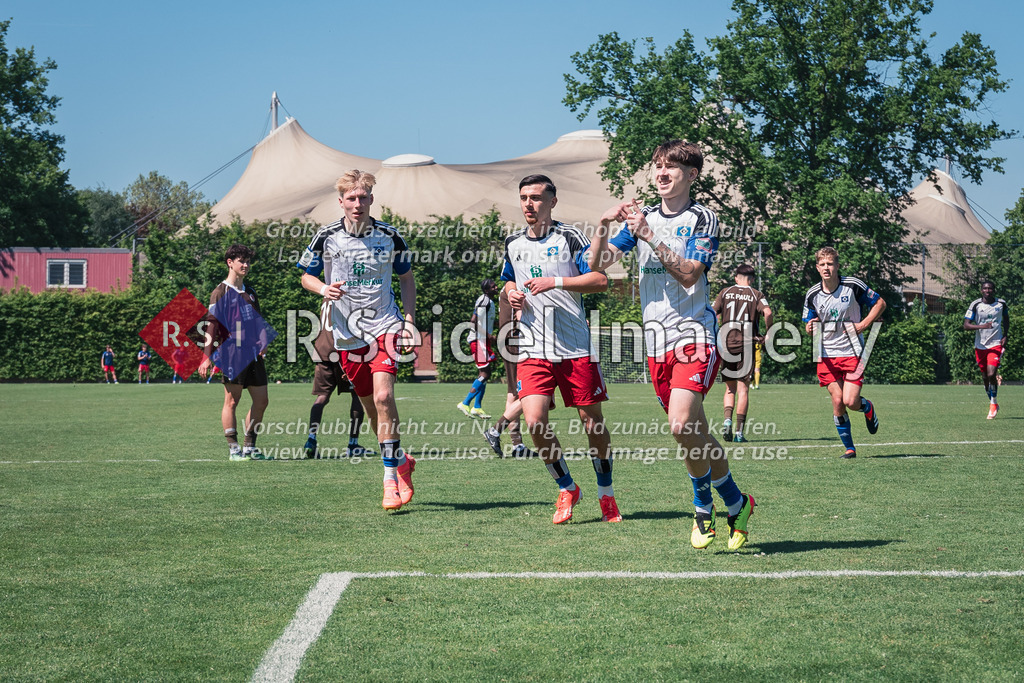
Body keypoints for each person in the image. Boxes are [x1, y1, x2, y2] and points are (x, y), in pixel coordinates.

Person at [592, 139, 754, 550]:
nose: (661, 173)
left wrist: (648, 235)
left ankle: (702, 508)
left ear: (692, 175)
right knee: (692, 433)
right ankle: (736, 501)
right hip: (656, 343)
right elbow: (595, 267)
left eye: (671, 167)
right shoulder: (641, 218)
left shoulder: (703, 218)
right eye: (657, 166)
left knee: (680, 424)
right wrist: (603, 225)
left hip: (694, 335)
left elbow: (689, 275)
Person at [502, 173, 621, 525]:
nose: (529, 203)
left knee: (592, 423)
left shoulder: (570, 237)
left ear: (553, 202)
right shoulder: (512, 242)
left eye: (537, 197)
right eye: (524, 197)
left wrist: (555, 282)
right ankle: (567, 487)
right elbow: (509, 278)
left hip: (574, 348)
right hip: (532, 348)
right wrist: (509, 292)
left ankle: (606, 493)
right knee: (535, 421)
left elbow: (599, 280)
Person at [298, 169, 418, 510]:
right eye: (351, 198)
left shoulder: (390, 236)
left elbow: (407, 280)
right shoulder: (326, 237)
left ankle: (390, 480)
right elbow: (305, 275)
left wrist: (408, 321)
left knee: (383, 397)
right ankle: (402, 461)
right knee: (371, 409)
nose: (358, 203)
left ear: (371, 199)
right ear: (341, 202)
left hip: (385, 326)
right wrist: (323, 287)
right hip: (347, 336)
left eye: (363, 197)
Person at [802, 246, 886, 459]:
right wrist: (810, 327)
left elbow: (880, 303)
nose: (826, 268)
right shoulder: (812, 294)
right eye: (822, 264)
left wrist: (864, 324)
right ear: (817, 267)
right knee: (838, 401)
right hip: (826, 354)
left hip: (853, 352)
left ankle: (866, 407)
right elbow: (807, 323)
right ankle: (850, 448)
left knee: (850, 401)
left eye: (830, 264)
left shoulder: (852, 285)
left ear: (837, 266)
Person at [198, 244, 271, 462]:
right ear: (230, 263)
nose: (246, 265)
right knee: (232, 401)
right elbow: (211, 326)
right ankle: (233, 449)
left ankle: (249, 447)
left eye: (248, 261)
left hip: (253, 354)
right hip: (232, 352)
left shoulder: (250, 292)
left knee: (262, 401)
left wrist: (264, 340)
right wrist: (206, 357)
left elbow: (258, 322)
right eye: (242, 261)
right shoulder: (220, 292)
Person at [302, 301, 373, 459]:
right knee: (358, 395)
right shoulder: (347, 296)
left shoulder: (326, 296)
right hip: (341, 351)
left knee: (322, 397)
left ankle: (311, 440)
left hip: (322, 351)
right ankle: (353, 444)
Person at [712, 263, 773, 443]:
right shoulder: (756, 295)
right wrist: (768, 332)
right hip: (746, 344)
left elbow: (713, 312)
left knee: (729, 388)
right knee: (743, 389)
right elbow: (768, 312)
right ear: (752, 279)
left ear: (736, 277)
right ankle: (739, 433)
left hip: (727, 343)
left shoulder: (725, 292)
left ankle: (727, 421)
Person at [483, 287, 538, 459]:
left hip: (510, 340)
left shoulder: (508, 288)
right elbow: (525, 316)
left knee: (513, 393)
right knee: (536, 391)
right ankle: (495, 431)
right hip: (517, 341)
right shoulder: (517, 287)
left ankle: (518, 445)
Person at [963, 280, 1009, 419]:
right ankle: (993, 401)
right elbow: (966, 325)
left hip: (995, 343)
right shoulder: (975, 304)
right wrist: (982, 326)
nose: (987, 290)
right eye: (985, 288)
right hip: (980, 345)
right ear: (981, 290)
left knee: (991, 373)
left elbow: (1006, 319)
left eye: (990, 288)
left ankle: (993, 404)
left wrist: (1005, 335)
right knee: (985, 378)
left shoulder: (1001, 303)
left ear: (993, 290)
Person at [457, 278, 500, 419]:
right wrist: (489, 335)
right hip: (478, 340)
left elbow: (487, 321)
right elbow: (473, 322)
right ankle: (465, 403)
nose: (496, 287)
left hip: (482, 340)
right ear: (487, 290)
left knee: (485, 372)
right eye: (493, 286)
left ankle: (477, 407)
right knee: (485, 374)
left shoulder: (489, 301)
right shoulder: (484, 301)